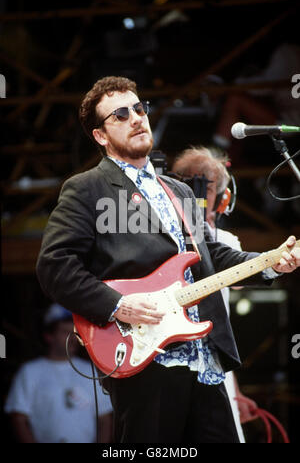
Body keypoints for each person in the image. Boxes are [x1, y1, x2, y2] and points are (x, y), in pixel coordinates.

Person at [35, 76, 300, 443]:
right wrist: (118, 305)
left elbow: (211, 255)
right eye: (121, 114)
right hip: (146, 353)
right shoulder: (86, 188)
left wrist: (272, 261)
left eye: (139, 109)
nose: (136, 118)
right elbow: (54, 266)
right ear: (100, 136)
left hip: (205, 357)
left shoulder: (176, 189)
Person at [172, 146, 259, 443]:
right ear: (225, 200)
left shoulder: (222, 240)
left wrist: (234, 393)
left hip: (208, 364)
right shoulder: (217, 238)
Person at [4, 303, 114, 443]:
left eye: (74, 332)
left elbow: (105, 418)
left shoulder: (90, 370)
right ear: (49, 336)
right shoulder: (29, 371)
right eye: (65, 332)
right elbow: (18, 418)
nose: (72, 338)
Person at [212, 43, 300, 164]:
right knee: (240, 125)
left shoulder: (288, 52)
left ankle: (216, 152)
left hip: (290, 122)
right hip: (286, 116)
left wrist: (235, 84)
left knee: (235, 99)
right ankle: (230, 163)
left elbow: (266, 85)